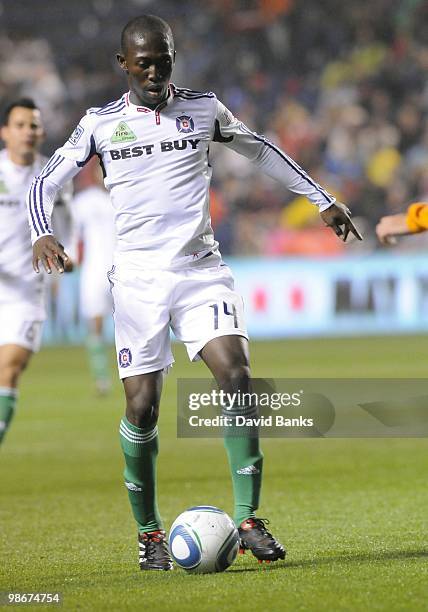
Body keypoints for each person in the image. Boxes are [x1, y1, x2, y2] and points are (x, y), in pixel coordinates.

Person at [27, 15, 362, 571]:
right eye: (144, 63)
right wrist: (42, 231)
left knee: (236, 375)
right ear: (123, 65)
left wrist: (320, 197)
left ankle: (249, 518)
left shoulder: (203, 109)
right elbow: (46, 182)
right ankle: (148, 534)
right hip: (137, 279)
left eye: (163, 59)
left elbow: (260, 150)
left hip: (200, 269)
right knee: (143, 406)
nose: (154, 71)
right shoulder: (99, 124)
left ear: (173, 58)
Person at [0, 98, 70, 446]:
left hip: (26, 294)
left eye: (34, 125)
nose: (28, 131)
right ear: (5, 132)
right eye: (20, 125)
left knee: (9, 367)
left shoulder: (52, 179)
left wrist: (66, 257)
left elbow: (66, 233)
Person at [72, 158, 115, 395]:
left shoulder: (127, 196)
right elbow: (70, 233)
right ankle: (101, 379)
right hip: (94, 270)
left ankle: (136, 372)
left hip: (126, 269)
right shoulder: (84, 201)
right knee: (95, 324)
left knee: (133, 325)